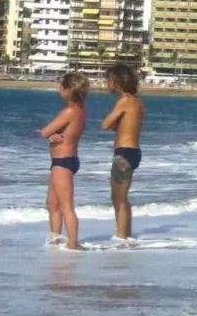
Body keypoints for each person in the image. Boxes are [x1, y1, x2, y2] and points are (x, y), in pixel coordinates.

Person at [40, 71, 89, 250]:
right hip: (62, 161)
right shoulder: (81, 110)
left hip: (63, 161)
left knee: (66, 205)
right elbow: (64, 132)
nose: (60, 89)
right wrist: (52, 136)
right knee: (52, 203)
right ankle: (55, 238)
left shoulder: (70, 111)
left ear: (68, 90)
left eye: (62, 86)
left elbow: (44, 131)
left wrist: (49, 134)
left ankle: (74, 243)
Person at [101, 62, 146, 241]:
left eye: (109, 81)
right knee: (123, 197)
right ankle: (126, 234)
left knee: (118, 198)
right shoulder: (138, 102)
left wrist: (115, 126)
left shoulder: (124, 101)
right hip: (135, 151)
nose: (107, 84)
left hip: (123, 152)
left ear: (117, 82)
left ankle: (121, 236)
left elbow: (105, 124)